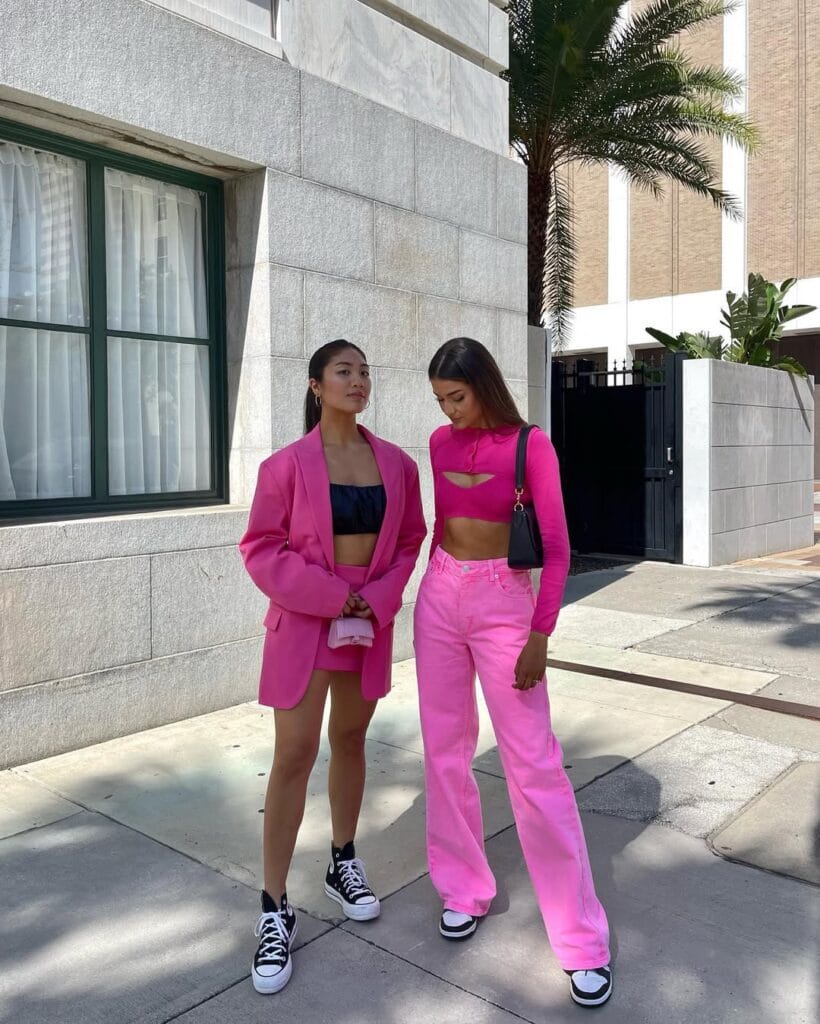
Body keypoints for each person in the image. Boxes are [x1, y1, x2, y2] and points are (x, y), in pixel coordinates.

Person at [413, 337, 612, 1008]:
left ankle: (581, 940)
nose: (449, 413)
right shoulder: (440, 446)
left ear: (484, 386)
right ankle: (463, 887)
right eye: (441, 401)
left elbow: (556, 550)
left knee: (534, 764)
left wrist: (540, 634)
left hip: (506, 603)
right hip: (441, 595)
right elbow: (444, 524)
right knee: (445, 752)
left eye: (457, 398)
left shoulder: (531, 445)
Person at [239, 339, 426, 995]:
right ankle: (272, 906)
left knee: (349, 739)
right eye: (344, 371)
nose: (358, 380)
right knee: (294, 753)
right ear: (316, 386)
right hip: (303, 623)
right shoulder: (285, 466)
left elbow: (410, 541)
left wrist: (374, 599)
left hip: (366, 623)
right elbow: (261, 549)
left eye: (365, 371)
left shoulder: (398, 466)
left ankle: (342, 858)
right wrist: (330, 594)